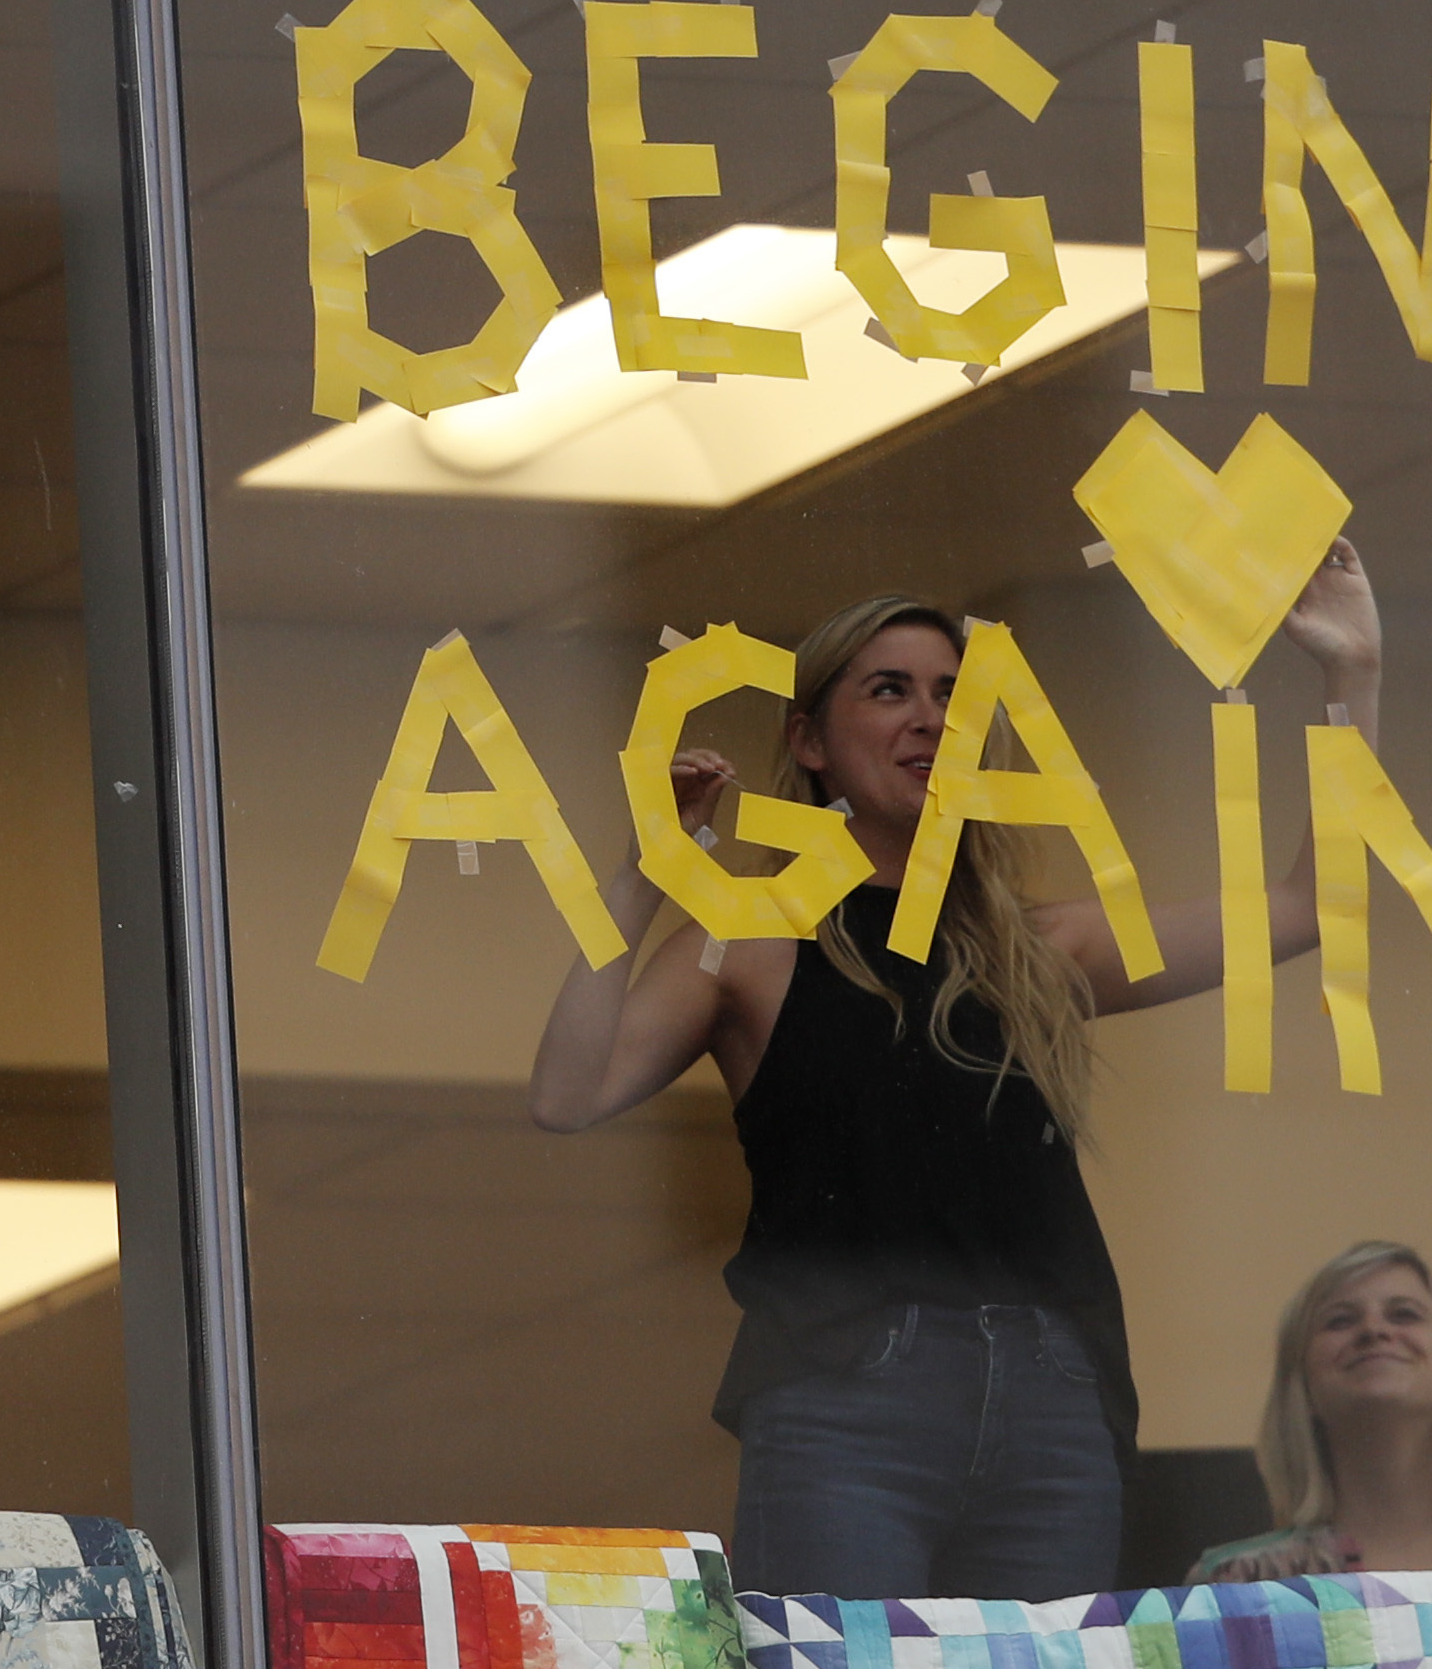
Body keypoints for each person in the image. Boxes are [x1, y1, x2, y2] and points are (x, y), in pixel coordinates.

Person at [531, 550, 1379, 1599]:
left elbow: (1310, 910)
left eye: (950, 695)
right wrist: (642, 869)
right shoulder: (749, 939)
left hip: (1053, 1394)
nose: (929, 718)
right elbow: (568, 1096)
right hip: (848, 1393)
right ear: (808, 742)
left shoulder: (1038, 947)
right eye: (888, 691)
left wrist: (1353, 675)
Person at [1187, 1240, 1432, 1583]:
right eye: (1340, 1320)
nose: (1374, 1330)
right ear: (1302, 1386)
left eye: (1404, 1314)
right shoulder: (1237, 1582)